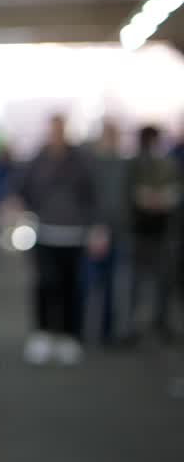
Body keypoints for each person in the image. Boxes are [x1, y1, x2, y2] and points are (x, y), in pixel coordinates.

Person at [16, 114, 96, 365]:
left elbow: (92, 195)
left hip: (74, 234)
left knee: (72, 287)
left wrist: (94, 226)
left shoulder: (81, 160)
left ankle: (70, 336)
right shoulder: (37, 160)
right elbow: (22, 188)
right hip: (45, 232)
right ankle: (43, 334)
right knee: (44, 285)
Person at [126, 126, 181, 342]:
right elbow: (130, 193)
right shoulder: (135, 164)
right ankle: (132, 325)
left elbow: (175, 191)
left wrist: (162, 199)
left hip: (163, 230)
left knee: (162, 281)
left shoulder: (167, 164)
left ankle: (159, 322)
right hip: (139, 230)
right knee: (136, 282)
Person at [85, 119, 129, 345]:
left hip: (117, 232)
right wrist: (93, 227)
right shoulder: (91, 164)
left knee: (113, 284)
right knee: (91, 283)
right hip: (94, 231)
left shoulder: (123, 164)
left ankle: (107, 332)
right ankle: (85, 330)